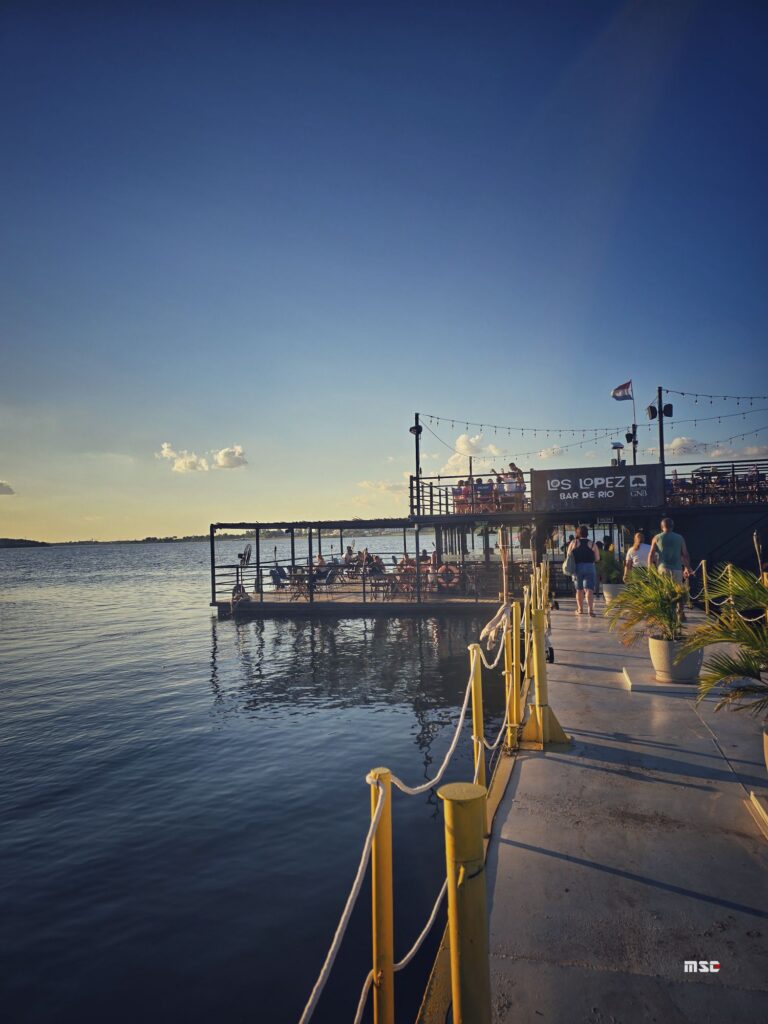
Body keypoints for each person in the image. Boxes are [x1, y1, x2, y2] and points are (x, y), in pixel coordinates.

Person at [567, 526, 599, 616]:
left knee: (579, 589)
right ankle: (590, 610)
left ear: (577, 533)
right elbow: (597, 558)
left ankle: (580, 609)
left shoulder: (574, 543)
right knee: (589, 589)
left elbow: (568, 556)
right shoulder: (592, 544)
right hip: (589, 567)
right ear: (587, 533)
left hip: (577, 568)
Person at [648, 518, 690, 583]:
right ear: (672, 527)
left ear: (662, 527)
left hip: (663, 568)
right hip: (677, 568)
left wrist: (649, 569)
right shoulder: (680, 537)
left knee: (664, 591)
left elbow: (651, 554)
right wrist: (687, 568)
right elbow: (685, 554)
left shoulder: (656, 538)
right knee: (677, 591)